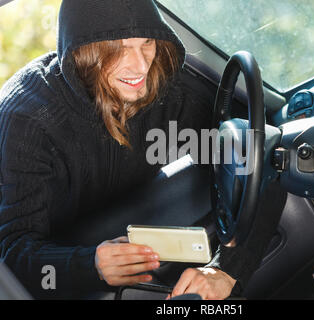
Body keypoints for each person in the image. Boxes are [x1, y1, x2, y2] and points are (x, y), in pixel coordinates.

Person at [0, 0, 283, 300]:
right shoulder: (28, 119)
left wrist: (227, 269)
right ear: (84, 51)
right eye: (119, 48)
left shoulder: (166, 88)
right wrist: (88, 266)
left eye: (146, 42)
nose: (140, 65)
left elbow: (257, 155)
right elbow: (11, 255)